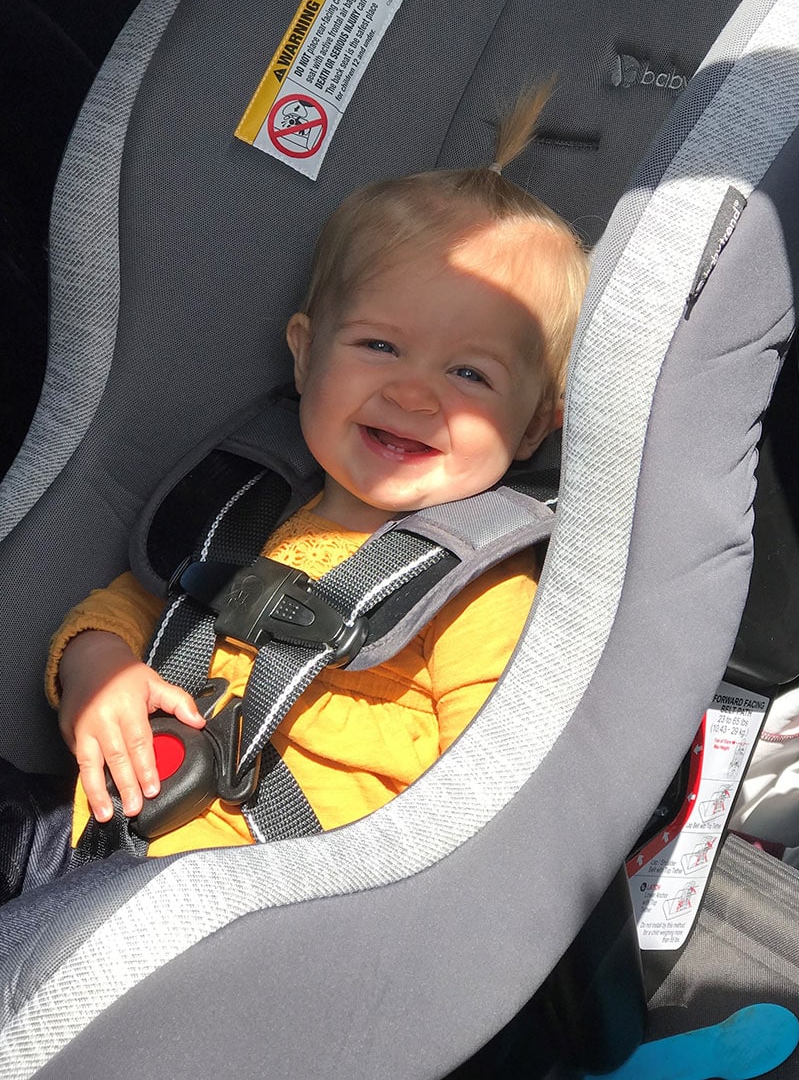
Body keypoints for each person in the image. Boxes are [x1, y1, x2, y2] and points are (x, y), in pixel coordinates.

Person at [30, 81, 589, 872]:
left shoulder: (482, 592)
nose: (413, 393)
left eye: (469, 372)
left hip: (254, 903)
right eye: (379, 347)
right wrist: (99, 672)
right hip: (92, 831)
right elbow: (127, 604)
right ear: (303, 351)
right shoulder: (247, 509)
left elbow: (490, 799)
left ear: (534, 424)